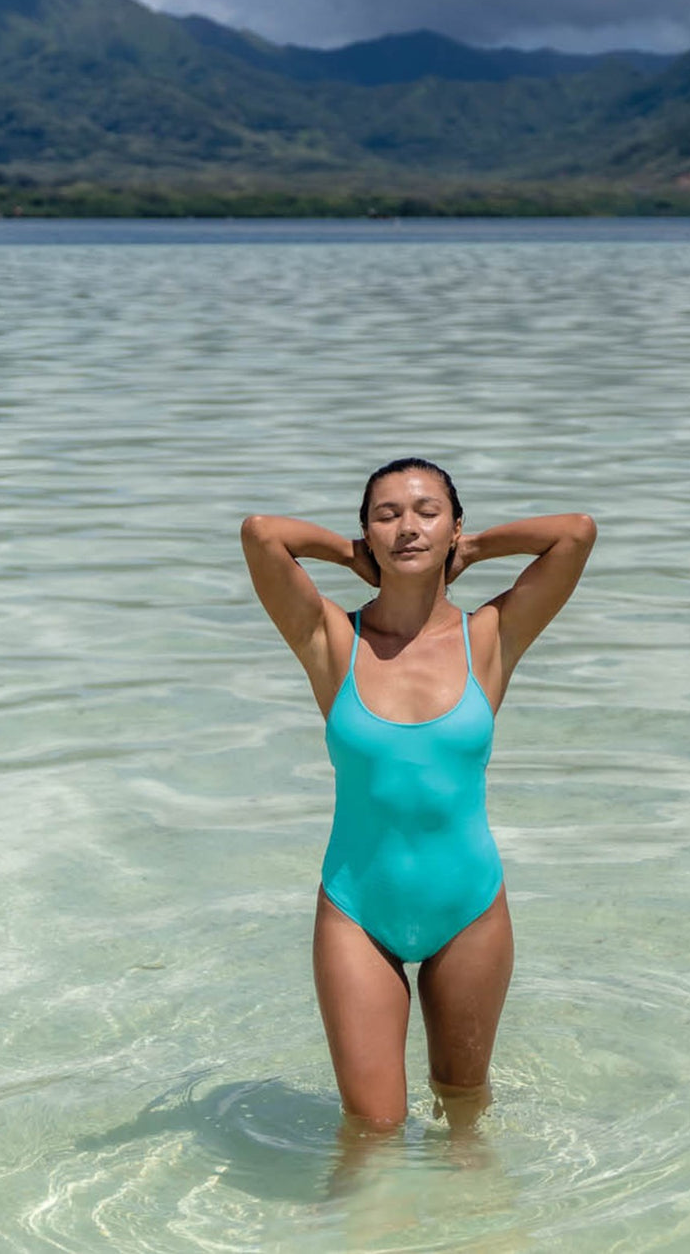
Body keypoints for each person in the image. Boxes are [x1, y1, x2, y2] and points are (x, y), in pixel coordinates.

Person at [240, 458, 595, 1133]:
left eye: (427, 511)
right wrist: (352, 560)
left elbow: (575, 533)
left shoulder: (489, 637)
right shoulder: (331, 640)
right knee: (370, 1133)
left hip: (469, 911)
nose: (408, 526)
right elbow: (261, 534)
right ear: (365, 532)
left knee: (465, 1120)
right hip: (356, 912)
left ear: (454, 526)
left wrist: (475, 549)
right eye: (387, 515)